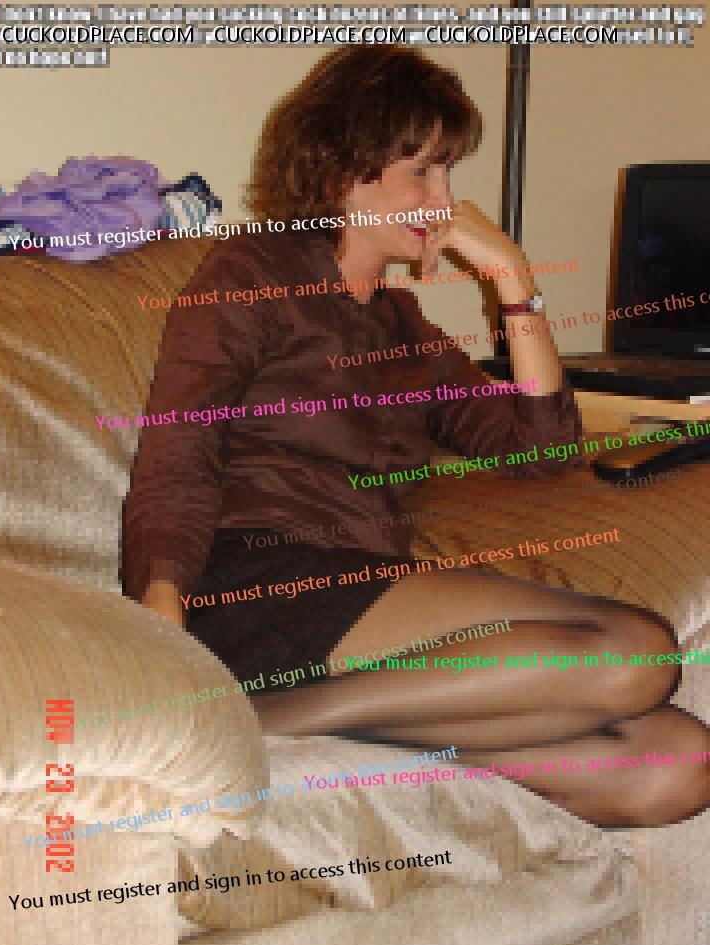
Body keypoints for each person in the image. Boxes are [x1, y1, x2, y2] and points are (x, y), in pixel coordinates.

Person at [122, 46, 709, 828]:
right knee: (639, 651)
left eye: (449, 173)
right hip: (260, 579)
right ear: (344, 169)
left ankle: (339, 729)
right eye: (422, 172)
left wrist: (514, 280)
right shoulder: (252, 271)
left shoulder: (403, 325)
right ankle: (255, 724)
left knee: (676, 761)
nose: (445, 201)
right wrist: (163, 608)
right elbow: (179, 448)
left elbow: (542, 447)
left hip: (365, 589)